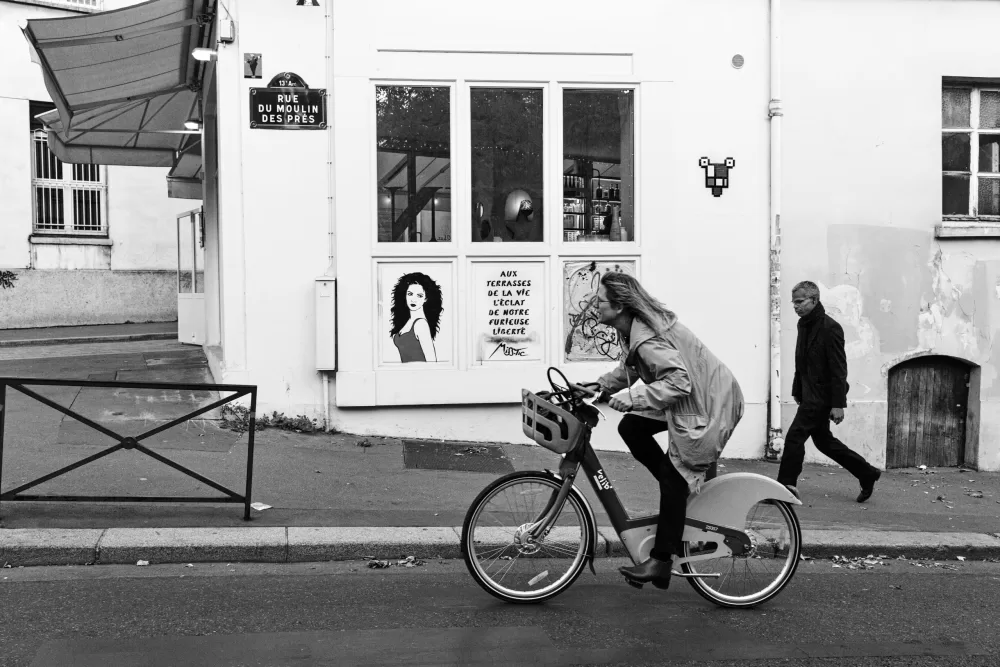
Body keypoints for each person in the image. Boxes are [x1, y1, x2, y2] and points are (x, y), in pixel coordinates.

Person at [571, 272, 744, 590]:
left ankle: (661, 561)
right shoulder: (635, 330)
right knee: (632, 427)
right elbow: (634, 369)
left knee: (672, 479)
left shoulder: (646, 336)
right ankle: (676, 491)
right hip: (694, 399)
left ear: (620, 307)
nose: (596, 306)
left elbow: (678, 382)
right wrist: (596, 386)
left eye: (601, 302)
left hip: (711, 405)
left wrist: (632, 397)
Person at [778, 280, 880, 502]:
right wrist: (798, 390)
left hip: (821, 397)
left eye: (799, 302)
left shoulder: (830, 327)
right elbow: (801, 362)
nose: (795, 306)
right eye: (793, 302)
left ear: (814, 300)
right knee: (824, 442)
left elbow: (838, 367)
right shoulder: (803, 324)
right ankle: (867, 473)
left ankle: (785, 487)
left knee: (794, 437)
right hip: (809, 394)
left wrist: (837, 404)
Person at [389, 272, 443, 363]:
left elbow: (432, 362)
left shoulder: (421, 324)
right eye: (410, 294)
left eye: (419, 296)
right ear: (404, 295)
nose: (413, 299)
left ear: (426, 298)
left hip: (420, 375)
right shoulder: (406, 321)